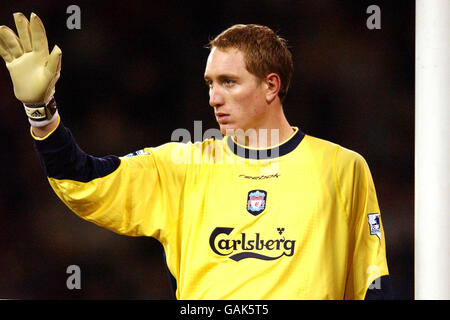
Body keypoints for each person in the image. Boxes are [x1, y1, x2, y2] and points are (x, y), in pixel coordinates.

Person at [0, 12, 392, 299]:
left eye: (228, 82)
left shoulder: (341, 167)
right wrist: (41, 111)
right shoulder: (182, 168)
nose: (213, 97)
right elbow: (83, 180)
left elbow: (373, 283)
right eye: (209, 83)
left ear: (271, 85)